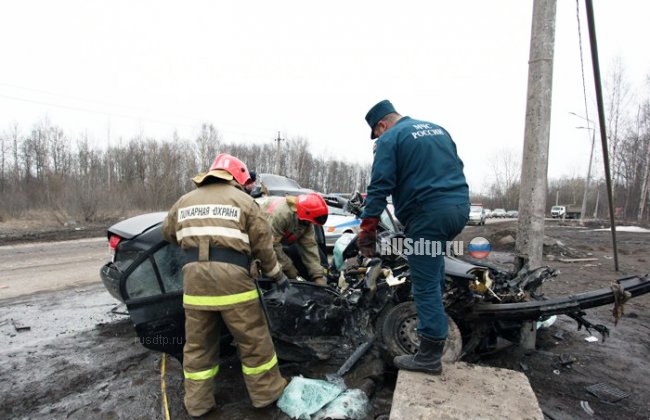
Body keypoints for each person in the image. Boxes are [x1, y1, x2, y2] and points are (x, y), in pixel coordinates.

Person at [162, 153, 290, 417]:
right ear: (237, 177)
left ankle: (198, 404)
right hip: (234, 283)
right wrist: (277, 275)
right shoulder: (244, 201)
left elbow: (169, 234)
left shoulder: (183, 201)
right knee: (254, 340)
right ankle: (266, 394)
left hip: (195, 283)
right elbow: (263, 246)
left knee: (197, 347)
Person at [359, 99, 469, 375]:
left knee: (424, 283)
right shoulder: (438, 129)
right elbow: (456, 166)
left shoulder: (390, 139)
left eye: (377, 133)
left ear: (381, 125)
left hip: (428, 216)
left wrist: (367, 230)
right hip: (458, 210)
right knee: (434, 267)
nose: (378, 138)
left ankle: (429, 356)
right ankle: (437, 326)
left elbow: (379, 187)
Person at [258, 193, 329, 285]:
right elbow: (272, 245)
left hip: (274, 241)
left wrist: (318, 275)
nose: (311, 224)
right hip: (260, 240)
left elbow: (309, 246)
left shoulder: (306, 221)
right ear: (305, 213)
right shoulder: (282, 214)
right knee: (270, 272)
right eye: (310, 222)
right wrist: (289, 268)